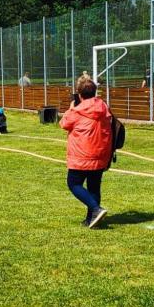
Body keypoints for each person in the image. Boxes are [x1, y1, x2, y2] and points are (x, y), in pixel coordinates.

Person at [59, 77, 113, 228]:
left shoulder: (77, 111)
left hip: (81, 155)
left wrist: (71, 108)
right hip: (100, 153)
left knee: (74, 183)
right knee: (94, 187)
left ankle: (96, 209)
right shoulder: (103, 107)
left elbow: (63, 123)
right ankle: (92, 219)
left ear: (79, 94)